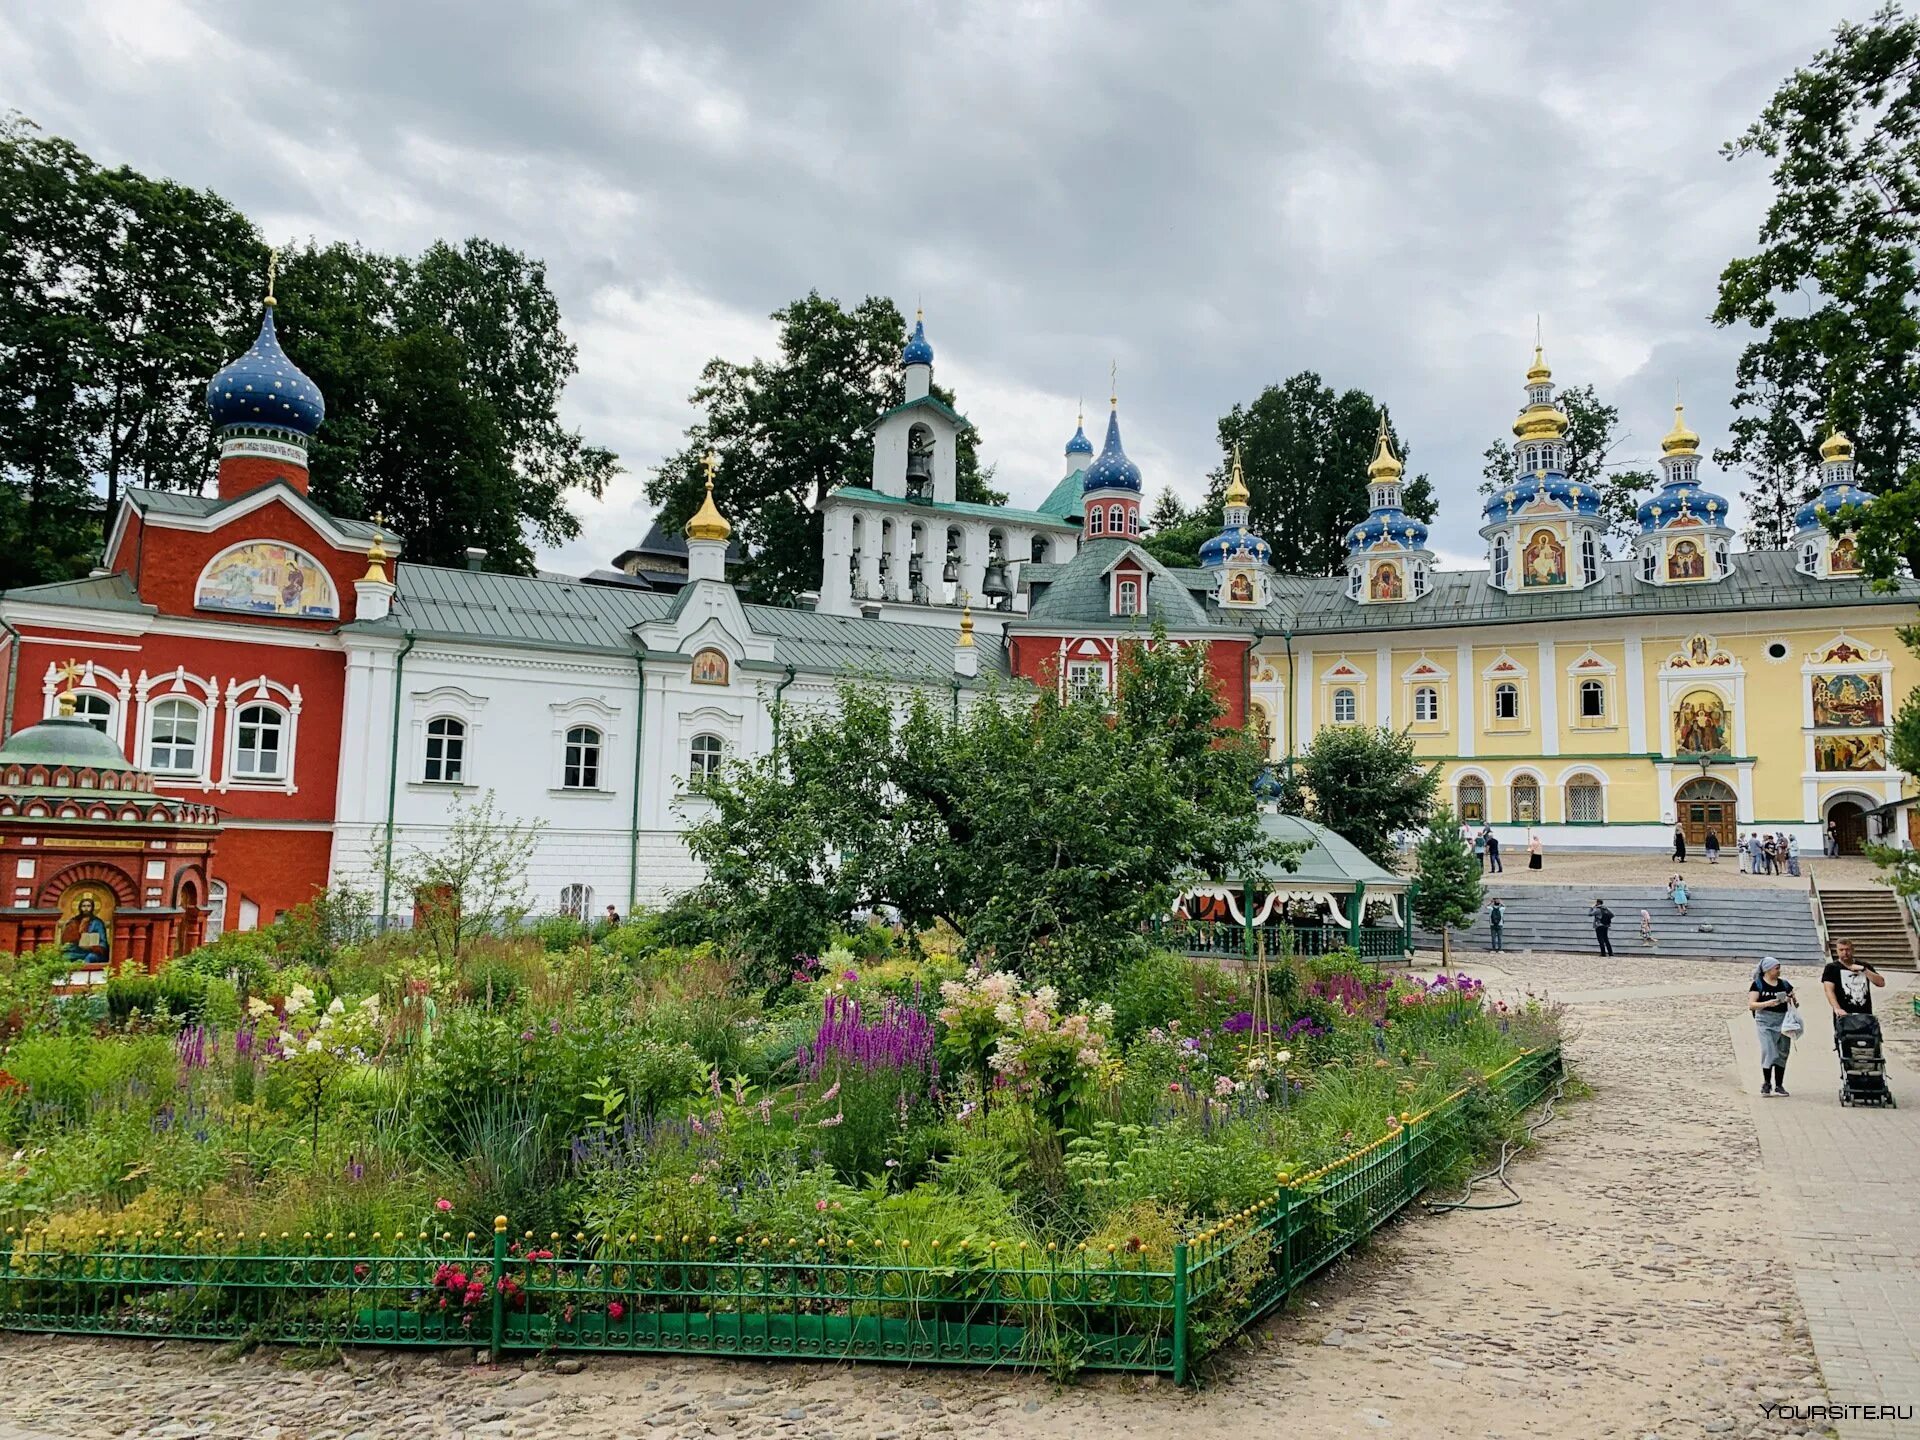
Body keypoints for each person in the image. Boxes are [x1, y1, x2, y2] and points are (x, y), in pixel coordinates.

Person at [1749, 957, 1797, 1096]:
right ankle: (1767, 1083)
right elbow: (1751, 1004)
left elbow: (1795, 1003)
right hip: (1765, 1021)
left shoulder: (1785, 984)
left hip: (1783, 1021)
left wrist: (1791, 999)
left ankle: (1779, 1085)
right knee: (1768, 1050)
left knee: (1783, 1051)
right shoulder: (1758, 984)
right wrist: (1768, 1003)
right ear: (1767, 970)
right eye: (1776, 968)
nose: (1779, 971)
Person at [1822, 939, 1885, 1018]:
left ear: (1852, 950)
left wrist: (1864, 970)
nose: (1845, 953)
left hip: (1865, 1014)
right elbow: (1829, 990)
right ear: (1837, 951)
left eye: (1847, 949)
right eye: (1841, 950)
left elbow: (1881, 983)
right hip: (1844, 1015)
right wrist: (1837, 1008)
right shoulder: (1831, 968)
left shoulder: (1864, 965)